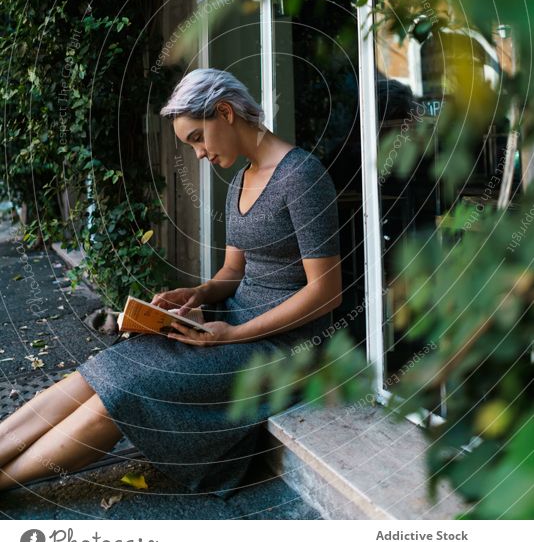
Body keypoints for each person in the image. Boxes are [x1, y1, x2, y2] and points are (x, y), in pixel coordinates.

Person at [0, 68, 341, 495]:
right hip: (231, 325)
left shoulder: (302, 176)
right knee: (107, 368)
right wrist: (197, 293)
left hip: (286, 344)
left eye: (198, 137)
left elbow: (326, 293)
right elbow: (233, 273)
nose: (198, 153)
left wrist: (232, 335)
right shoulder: (241, 179)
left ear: (224, 112)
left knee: (127, 392)